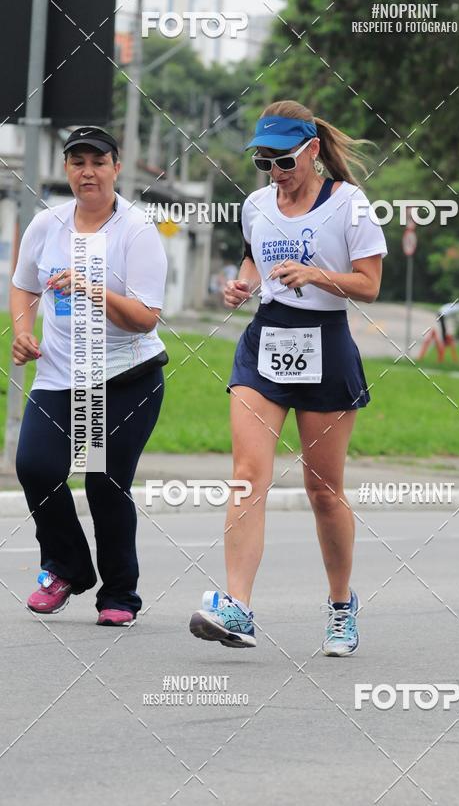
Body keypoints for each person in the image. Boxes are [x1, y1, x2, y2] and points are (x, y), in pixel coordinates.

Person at [189, 101, 387, 655]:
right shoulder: (256, 205)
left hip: (324, 342)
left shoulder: (349, 206)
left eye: (284, 161)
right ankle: (238, 608)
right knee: (248, 474)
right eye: (264, 163)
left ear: (312, 151)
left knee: (323, 491)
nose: (275, 173)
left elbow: (369, 285)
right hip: (267, 341)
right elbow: (253, 261)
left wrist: (316, 275)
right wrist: (242, 284)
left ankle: (342, 605)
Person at [11, 126, 168, 627]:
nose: (88, 172)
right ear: (66, 170)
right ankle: (67, 568)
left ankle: (119, 594)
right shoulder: (47, 224)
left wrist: (92, 288)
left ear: (116, 168)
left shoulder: (137, 231)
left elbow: (146, 318)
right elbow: (23, 286)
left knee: (104, 484)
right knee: (36, 467)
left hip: (126, 378)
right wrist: (22, 333)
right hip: (60, 375)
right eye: (77, 162)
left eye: (98, 162)